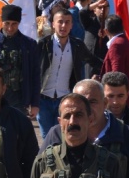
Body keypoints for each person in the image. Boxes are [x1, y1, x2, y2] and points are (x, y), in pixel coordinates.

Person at [37, 9, 103, 137]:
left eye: (67, 22)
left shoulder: (77, 45)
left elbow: (93, 60)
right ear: (53, 24)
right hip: (43, 99)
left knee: (64, 135)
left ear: (72, 25)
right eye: (60, 22)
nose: (63, 26)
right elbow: (32, 70)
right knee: (47, 137)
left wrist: (105, 69)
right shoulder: (43, 44)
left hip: (65, 99)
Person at [0, 4, 41, 116]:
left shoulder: (29, 45)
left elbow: (35, 75)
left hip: (19, 100)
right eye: (7, 23)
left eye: (14, 24)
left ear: (19, 23)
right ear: (2, 22)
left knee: (16, 132)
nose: (10, 28)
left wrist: (35, 104)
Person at [100, 14, 129, 115]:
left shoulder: (117, 45)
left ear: (106, 31)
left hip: (126, 100)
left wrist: (114, 99)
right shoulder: (124, 41)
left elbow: (117, 75)